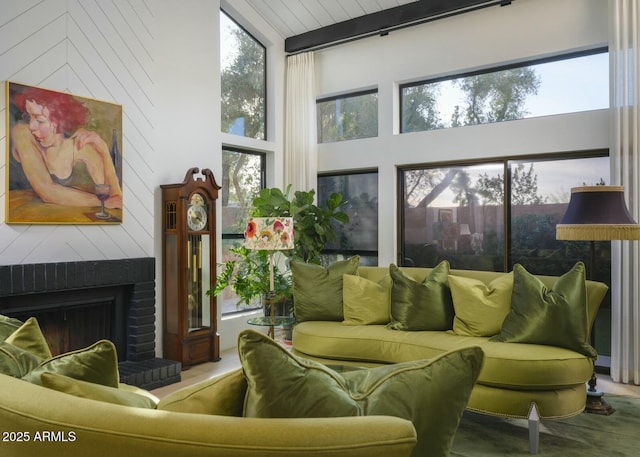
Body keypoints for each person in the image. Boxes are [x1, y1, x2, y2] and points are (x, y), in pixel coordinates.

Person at [10, 86, 122, 209]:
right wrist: (103, 203)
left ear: (59, 120)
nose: (31, 126)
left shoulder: (79, 146)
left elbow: (115, 197)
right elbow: (47, 192)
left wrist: (103, 148)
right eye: (28, 117)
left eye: (40, 120)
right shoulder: (22, 133)